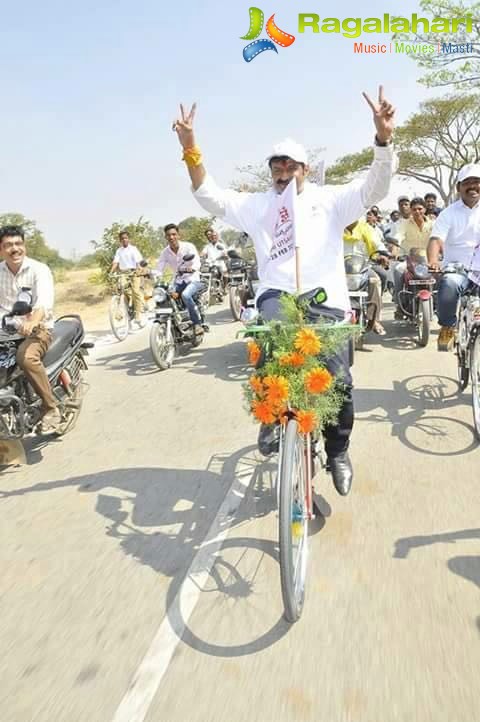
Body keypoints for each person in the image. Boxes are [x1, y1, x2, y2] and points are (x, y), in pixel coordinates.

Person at [172, 86, 397, 496]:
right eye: (276, 167)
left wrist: (383, 141)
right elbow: (209, 196)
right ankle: (272, 417)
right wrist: (191, 149)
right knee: (271, 347)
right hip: (277, 295)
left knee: (339, 381)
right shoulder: (258, 205)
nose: (282, 173)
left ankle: (338, 451)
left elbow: (375, 189)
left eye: (290, 166)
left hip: (326, 301)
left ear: (305, 170)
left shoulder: (332, 200)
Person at [0, 225, 60, 432]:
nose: (14, 249)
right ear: (1, 249)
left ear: (24, 246)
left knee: (26, 358)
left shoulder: (39, 269)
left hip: (38, 330)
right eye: (8, 245)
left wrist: (33, 321)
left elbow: (44, 302)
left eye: (18, 244)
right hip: (6, 332)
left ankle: (50, 408)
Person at [427, 164, 480, 351]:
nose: (473, 186)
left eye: (477, 182)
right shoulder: (448, 213)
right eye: (467, 183)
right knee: (448, 283)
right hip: (458, 269)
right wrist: (433, 261)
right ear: (459, 188)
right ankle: (447, 327)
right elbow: (435, 239)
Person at [155, 224, 204, 334]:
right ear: (165, 237)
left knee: (186, 295)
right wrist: (151, 274)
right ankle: (173, 322)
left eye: (174, 234)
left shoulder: (188, 247)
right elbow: (159, 268)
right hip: (177, 281)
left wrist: (192, 268)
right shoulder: (165, 252)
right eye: (168, 235)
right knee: (164, 295)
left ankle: (197, 324)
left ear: (178, 235)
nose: (171, 237)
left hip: (193, 279)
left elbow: (196, 261)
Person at [392, 197, 434, 318]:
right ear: (411, 210)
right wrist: (394, 249)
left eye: (420, 209)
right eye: (414, 209)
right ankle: (399, 304)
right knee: (398, 270)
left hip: (427, 260)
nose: (417, 212)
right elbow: (398, 236)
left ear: (424, 209)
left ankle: (438, 302)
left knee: (441, 274)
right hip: (408, 259)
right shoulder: (404, 224)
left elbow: (437, 238)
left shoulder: (432, 224)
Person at [343, 218, 387, 335]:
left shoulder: (366, 228)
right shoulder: (336, 227)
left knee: (376, 280)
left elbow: (378, 244)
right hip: (339, 269)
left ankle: (374, 319)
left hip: (363, 267)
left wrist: (383, 254)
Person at [110, 230, 145, 328]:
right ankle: (122, 312)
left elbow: (138, 261)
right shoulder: (119, 251)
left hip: (134, 272)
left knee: (135, 291)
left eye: (126, 238)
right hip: (123, 273)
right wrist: (111, 272)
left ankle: (138, 314)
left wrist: (139, 270)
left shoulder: (133, 249)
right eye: (122, 239)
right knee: (121, 290)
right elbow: (115, 262)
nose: (124, 240)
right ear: (120, 241)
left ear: (128, 239)